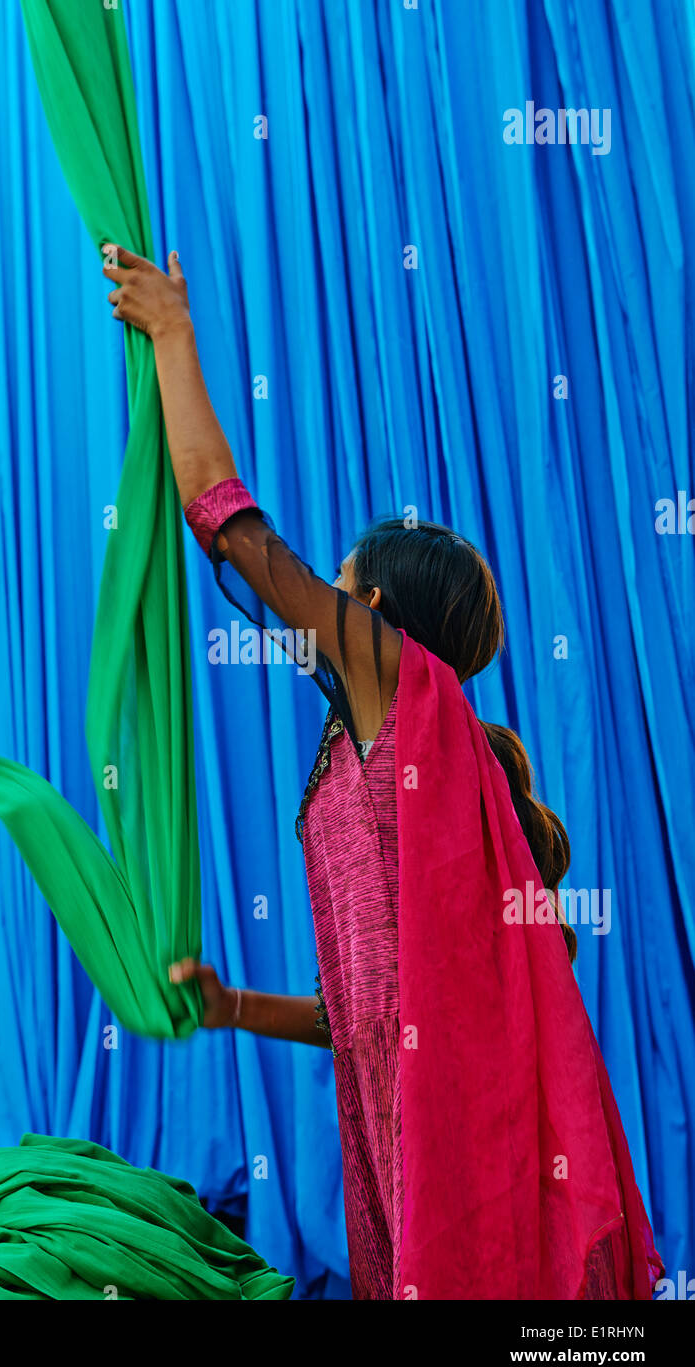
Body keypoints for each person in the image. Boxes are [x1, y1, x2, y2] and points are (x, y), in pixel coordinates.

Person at [101, 244, 662, 1301]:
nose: (330, 600)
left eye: (347, 588)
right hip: (398, 1120)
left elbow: (228, 530)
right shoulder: (388, 752)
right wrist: (230, 1010)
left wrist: (172, 336)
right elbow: (362, 1008)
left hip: (445, 1133)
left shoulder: (401, 688)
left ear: (381, 619)